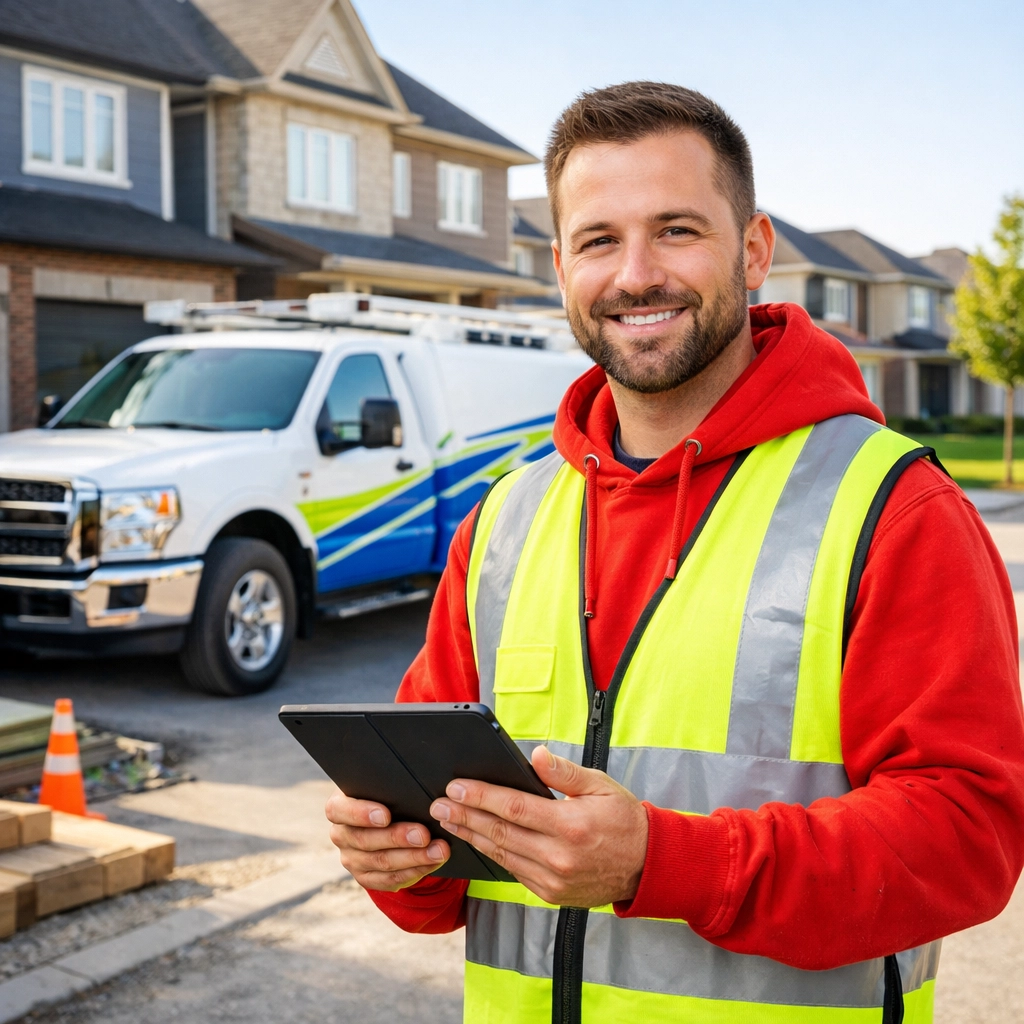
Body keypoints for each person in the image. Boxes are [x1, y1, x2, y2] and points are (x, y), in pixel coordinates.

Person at [326, 82, 1024, 1023]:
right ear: (561, 269)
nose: (635, 274)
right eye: (598, 240)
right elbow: (440, 872)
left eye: (677, 230)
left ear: (754, 252)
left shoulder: (893, 507)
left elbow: (967, 839)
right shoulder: (506, 519)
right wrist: (400, 860)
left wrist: (669, 861)